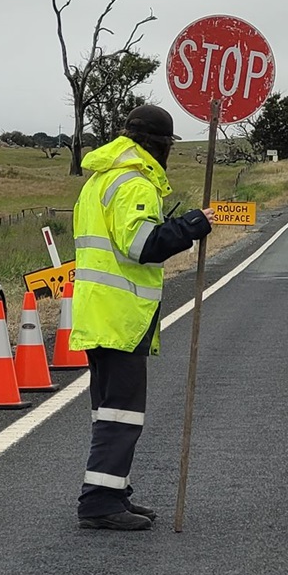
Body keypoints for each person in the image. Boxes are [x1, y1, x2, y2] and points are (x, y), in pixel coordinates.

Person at [71, 104, 214, 531]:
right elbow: (142, 246)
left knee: (110, 411)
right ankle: (98, 504)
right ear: (157, 145)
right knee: (122, 414)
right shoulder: (134, 183)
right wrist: (190, 226)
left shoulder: (99, 180)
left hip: (98, 312)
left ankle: (113, 493)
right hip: (120, 317)